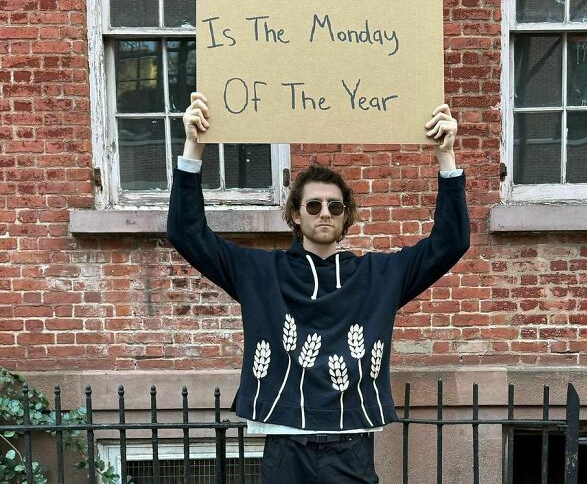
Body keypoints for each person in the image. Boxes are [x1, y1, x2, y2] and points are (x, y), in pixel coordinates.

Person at [167, 92, 470, 483]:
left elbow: (450, 243)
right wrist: (194, 146)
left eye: (334, 206)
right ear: (295, 213)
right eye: (313, 206)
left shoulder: (380, 274)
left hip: (351, 446)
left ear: (346, 216)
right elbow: (186, 233)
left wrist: (446, 157)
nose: (324, 213)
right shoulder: (259, 271)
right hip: (285, 446)